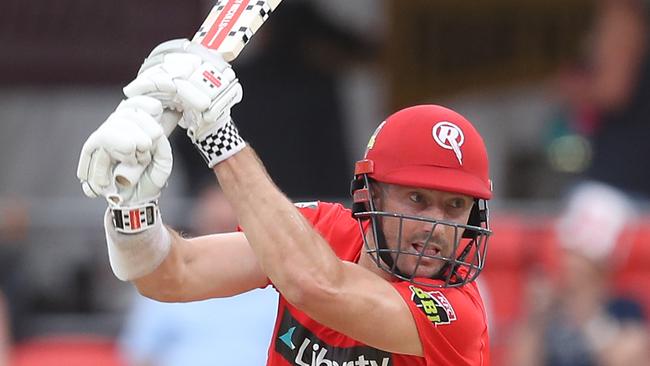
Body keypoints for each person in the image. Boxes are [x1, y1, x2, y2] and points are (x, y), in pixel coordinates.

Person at [76, 38, 493, 365]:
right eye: (417, 199)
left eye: (456, 207)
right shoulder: (321, 233)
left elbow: (318, 286)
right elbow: (172, 275)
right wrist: (132, 205)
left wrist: (217, 135)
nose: (438, 226)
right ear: (372, 193)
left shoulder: (457, 313)